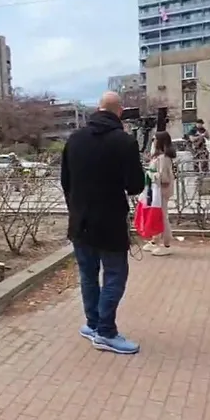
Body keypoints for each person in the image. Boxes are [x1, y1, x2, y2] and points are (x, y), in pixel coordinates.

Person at [62, 91, 145, 355]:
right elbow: (135, 185)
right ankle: (106, 332)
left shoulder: (74, 140)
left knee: (88, 275)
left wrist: (77, 208)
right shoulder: (124, 142)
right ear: (119, 111)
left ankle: (93, 324)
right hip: (110, 222)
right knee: (115, 274)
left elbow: (66, 182)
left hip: (80, 222)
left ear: (98, 109)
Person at [143, 130, 177, 256]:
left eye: (154, 139)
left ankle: (166, 244)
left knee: (162, 216)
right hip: (155, 190)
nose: (153, 142)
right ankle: (155, 240)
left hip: (161, 191)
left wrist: (151, 174)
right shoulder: (158, 157)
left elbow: (164, 178)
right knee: (155, 215)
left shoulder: (164, 158)